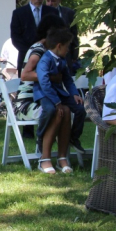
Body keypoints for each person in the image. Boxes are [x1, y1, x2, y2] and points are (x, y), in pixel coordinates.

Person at [33, 27, 83, 174]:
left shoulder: (62, 59)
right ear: (59, 46)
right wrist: (57, 102)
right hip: (45, 94)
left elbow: (67, 79)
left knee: (79, 108)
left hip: (59, 93)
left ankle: (73, 139)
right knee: (52, 110)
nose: (69, 50)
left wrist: (74, 94)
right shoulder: (45, 60)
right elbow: (44, 83)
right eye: (67, 46)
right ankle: (40, 137)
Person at [12, 14, 66, 123]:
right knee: (57, 112)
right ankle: (43, 136)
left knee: (65, 110)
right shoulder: (39, 49)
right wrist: (52, 77)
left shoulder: (48, 50)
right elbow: (25, 75)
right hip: (26, 104)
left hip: (41, 99)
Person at [10, 0, 56, 73]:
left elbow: (57, 33)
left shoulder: (52, 12)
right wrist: (31, 52)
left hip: (48, 57)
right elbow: (15, 38)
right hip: (26, 58)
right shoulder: (18, 13)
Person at [45, 0, 79, 69]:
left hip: (66, 53)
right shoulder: (42, 13)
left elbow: (74, 34)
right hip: (48, 53)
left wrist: (75, 55)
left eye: (53, 1)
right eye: (48, 1)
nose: (50, 4)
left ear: (59, 1)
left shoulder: (69, 13)